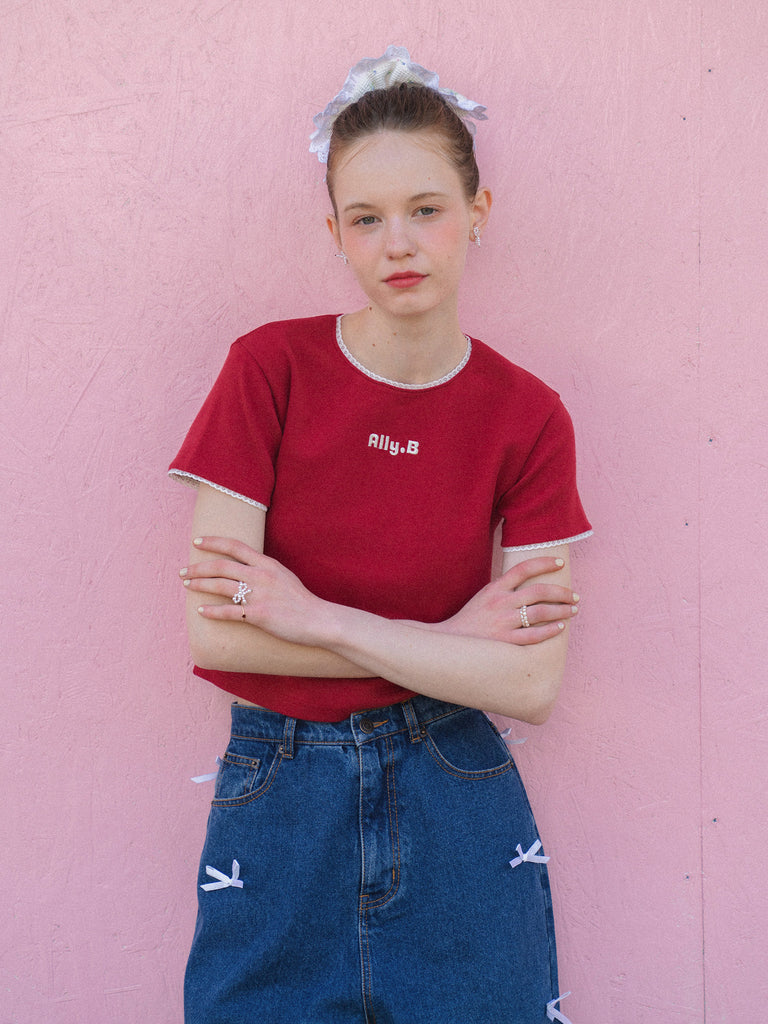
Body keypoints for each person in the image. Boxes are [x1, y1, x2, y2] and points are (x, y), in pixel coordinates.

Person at [170, 45, 591, 1024]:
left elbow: (531, 682)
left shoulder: (528, 416)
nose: (398, 243)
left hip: (456, 789)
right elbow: (218, 635)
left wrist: (312, 616)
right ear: (336, 234)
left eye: (426, 209)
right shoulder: (268, 370)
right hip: (280, 789)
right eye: (366, 218)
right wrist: (451, 644)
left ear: (477, 213)